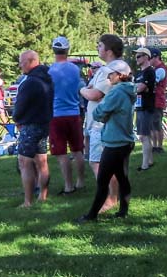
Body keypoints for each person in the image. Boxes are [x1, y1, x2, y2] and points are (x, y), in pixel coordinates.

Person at [75, 60, 136, 224]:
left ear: (120, 75)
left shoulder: (116, 92)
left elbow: (98, 113)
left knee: (102, 180)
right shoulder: (129, 89)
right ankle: (123, 211)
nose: (108, 77)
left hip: (114, 141)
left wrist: (103, 113)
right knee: (122, 177)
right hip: (126, 140)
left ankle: (91, 216)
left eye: (111, 74)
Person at [81, 34, 126, 212]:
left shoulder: (112, 70)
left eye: (100, 46)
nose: (97, 48)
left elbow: (94, 94)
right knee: (103, 162)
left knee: (98, 162)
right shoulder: (108, 68)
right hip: (101, 122)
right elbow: (92, 90)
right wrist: (88, 90)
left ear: (109, 50)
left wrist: (82, 90)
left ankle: (110, 198)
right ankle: (112, 196)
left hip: (103, 123)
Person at [14, 50, 53, 208]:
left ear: (31, 61)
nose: (20, 66)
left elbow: (21, 104)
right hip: (44, 123)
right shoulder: (47, 78)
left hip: (30, 124)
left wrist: (16, 118)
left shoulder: (30, 82)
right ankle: (43, 196)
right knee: (42, 160)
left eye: (22, 62)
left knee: (24, 162)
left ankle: (28, 201)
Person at [48, 36, 86, 195]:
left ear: (53, 50)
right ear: (67, 50)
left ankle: (68, 186)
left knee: (61, 153)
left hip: (56, 114)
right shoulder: (75, 69)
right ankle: (81, 182)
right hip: (74, 113)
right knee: (77, 150)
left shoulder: (50, 71)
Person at [131, 47, 157, 171]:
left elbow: (140, 88)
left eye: (139, 56)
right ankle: (150, 161)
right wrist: (136, 87)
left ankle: (145, 165)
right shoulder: (139, 73)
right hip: (140, 107)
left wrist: (137, 88)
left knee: (143, 136)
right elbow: (136, 87)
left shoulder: (149, 71)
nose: (136, 59)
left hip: (147, 107)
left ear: (146, 57)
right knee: (144, 135)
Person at [149, 48, 167, 154]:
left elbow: (152, 83)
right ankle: (155, 146)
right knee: (153, 125)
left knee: (157, 125)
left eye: (150, 58)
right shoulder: (156, 69)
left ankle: (159, 147)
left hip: (157, 100)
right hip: (154, 100)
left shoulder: (160, 70)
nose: (149, 60)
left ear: (156, 57)